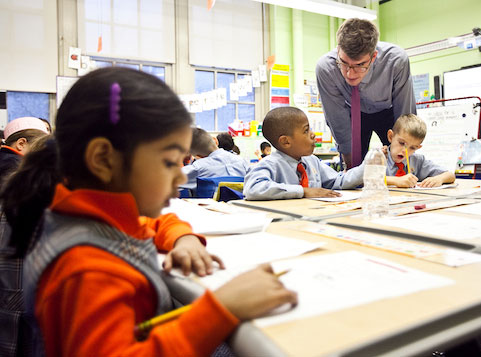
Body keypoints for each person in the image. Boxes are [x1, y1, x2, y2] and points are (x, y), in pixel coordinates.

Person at [6, 67, 296, 356]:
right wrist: (221, 309)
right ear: (103, 159)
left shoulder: (91, 213)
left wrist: (185, 239)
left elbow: (154, 223)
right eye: (170, 162)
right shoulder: (86, 269)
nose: (182, 177)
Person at [316, 18, 416, 168]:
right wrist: (350, 170)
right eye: (344, 63)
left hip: (387, 112)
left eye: (360, 65)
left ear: (373, 56)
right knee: (353, 168)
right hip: (352, 114)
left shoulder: (396, 61)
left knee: (400, 163)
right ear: (338, 51)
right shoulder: (326, 69)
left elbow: (405, 114)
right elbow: (337, 121)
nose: (350, 73)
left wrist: (404, 151)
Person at [244, 107, 364, 200]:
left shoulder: (311, 161)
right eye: (306, 130)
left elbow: (339, 181)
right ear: (286, 142)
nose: (313, 134)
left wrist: (369, 165)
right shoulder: (270, 164)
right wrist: (303, 191)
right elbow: (253, 188)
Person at [385, 114, 455, 188]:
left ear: (418, 147)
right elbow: (371, 179)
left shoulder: (418, 161)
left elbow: (450, 175)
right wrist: (396, 181)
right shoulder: (379, 157)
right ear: (391, 136)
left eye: (412, 148)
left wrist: (439, 179)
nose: (405, 151)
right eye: (402, 143)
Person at [182, 128, 249, 186]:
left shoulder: (198, 168)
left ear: (198, 156)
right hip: (240, 200)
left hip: (208, 201)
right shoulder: (243, 162)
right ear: (216, 141)